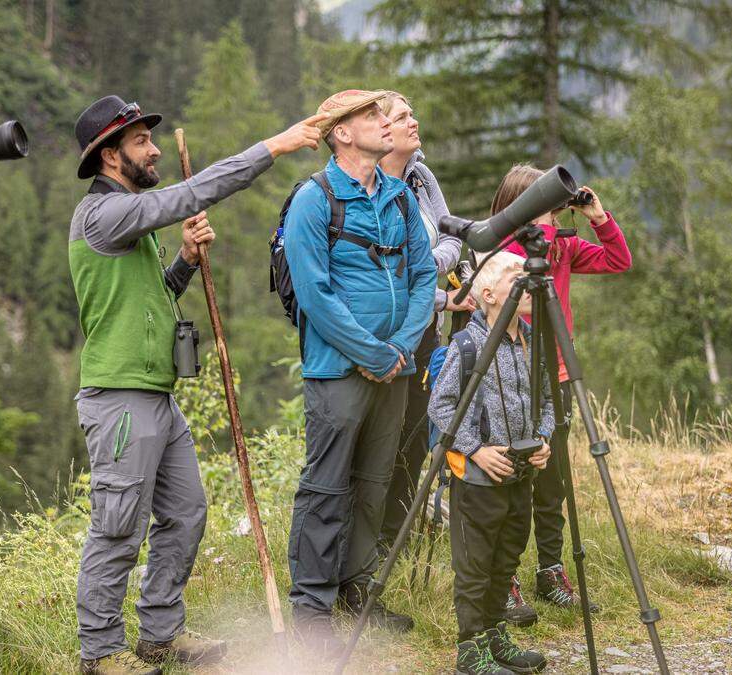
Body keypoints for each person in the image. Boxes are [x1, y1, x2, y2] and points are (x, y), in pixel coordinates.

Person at [69, 95, 325, 675]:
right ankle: (100, 652)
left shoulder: (130, 218)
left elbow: (150, 301)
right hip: (120, 399)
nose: (154, 148)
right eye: (140, 142)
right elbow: (192, 192)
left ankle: (159, 634)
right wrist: (275, 145)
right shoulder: (102, 215)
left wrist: (183, 260)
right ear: (111, 156)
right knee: (118, 527)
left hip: (155, 395)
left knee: (186, 513)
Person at [282, 89, 436, 653]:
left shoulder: (399, 199)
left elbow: (424, 279)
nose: (382, 121)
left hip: (395, 365)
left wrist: (399, 346)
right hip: (337, 369)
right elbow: (316, 295)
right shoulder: (313, 199)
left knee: (374, 480)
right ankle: (311, 604)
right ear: (342, 133)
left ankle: (358, 586)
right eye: (371, 115)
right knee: (326, 483)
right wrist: (372, 353)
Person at [494, 165, 632, 626]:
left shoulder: (565, 248)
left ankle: (550, 571)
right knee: (512, 476)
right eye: (545, 200)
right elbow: (513, 263)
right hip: (513, 373)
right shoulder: (508, 249)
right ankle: (503, 579)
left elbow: (619, 260)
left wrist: (596, 215)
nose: (555, 209)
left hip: (555, 373)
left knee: (553, 479)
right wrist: (543, 228)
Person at [427, 251, 552, 675]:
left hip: (520, 475)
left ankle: (496, 634)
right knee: (476, 565)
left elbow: (550, 402)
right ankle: (470, 648)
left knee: (507, 557)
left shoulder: (534, 342)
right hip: (478, 480)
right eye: (514, 274)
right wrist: (474, 448)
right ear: (487, 293)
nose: (525, 279)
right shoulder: (467, 344)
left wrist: (544, 439)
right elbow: (441, 407)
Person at [375, 91, 476, 554]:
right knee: (381, 442)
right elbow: (380, 273)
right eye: (403, 117)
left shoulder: (420, 176)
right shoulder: (368, 186)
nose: (414, 122)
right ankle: (368, 548)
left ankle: (397, 539)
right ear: (381, 130)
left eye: (413, 113)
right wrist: (439, 295)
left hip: (424, 333)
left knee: (415, 439)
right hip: (386, 330)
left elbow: (451, 235)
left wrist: (425, 270)